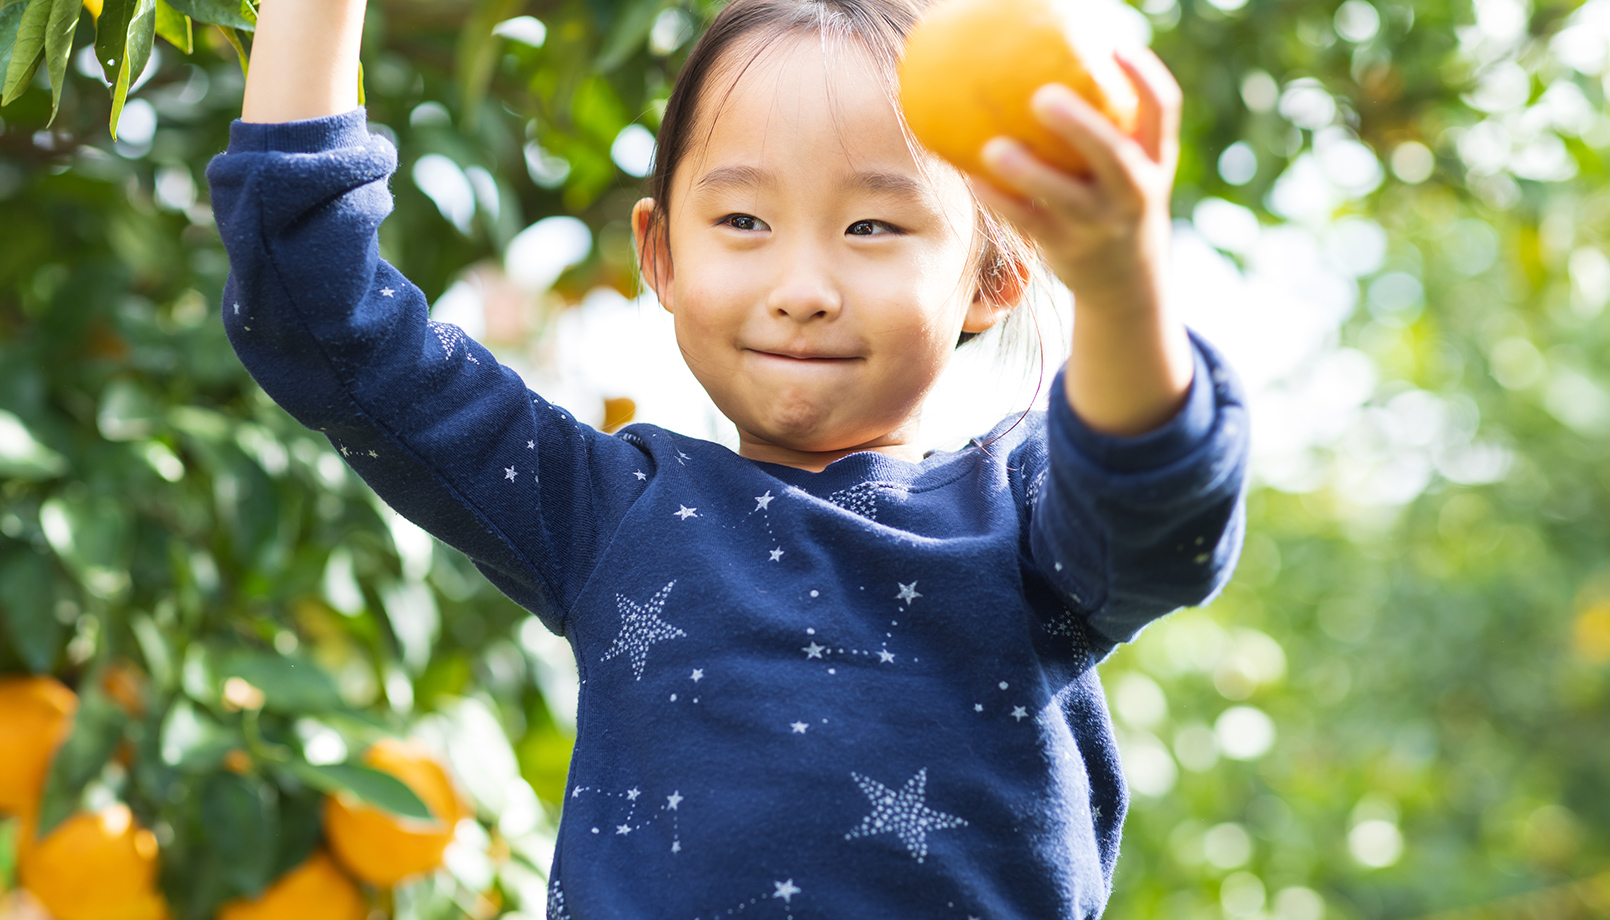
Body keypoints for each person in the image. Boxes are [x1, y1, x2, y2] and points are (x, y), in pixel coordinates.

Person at [206, 0, 1249, 915]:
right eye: (743, 218)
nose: (801, 284)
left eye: (874, 224)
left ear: (993, 273)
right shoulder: (606, 513)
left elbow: (1154, 509)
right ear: (660, 253)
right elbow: (319, 305)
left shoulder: (1020, 525)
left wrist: (1118, 283)